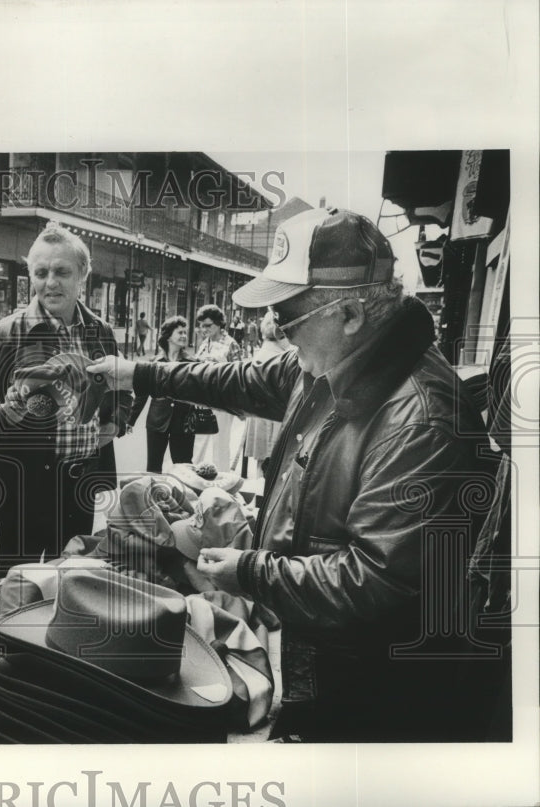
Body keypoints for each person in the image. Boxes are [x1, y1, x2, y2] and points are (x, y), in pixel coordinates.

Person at [87, 207, 503, 742]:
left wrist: (251, 571)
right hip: (320, 656)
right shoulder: (329, 360)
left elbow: (376, 580)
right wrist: (136, 372)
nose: (279, 332)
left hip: (368, 688)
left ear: (350, 313)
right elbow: (234, 380)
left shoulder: (419, 420)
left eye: (289, 317)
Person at [0, 222, 133, 578]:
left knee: (71, 584)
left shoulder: (100, 332)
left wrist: (115, 420)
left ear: (83, 275)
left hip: (79, 487)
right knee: (13, 590)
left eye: (62, 271)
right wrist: (8, 412)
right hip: (24, 492)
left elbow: (122, 390)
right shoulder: (6, 334)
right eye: (41, 273)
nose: (50, 283)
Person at [126, 315, 196, 472]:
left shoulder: (192, 363)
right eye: (180, 332)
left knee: (184, 469)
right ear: (169, 336)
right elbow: (142, 393)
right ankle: (154, 496)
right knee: (153, 468)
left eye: (185, 332)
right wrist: (131, 419)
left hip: (184, 423)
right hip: (156, 422)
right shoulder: (154, 362)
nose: (184, 336)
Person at [192, 304, 244, 472]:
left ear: (219, 323)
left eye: (208, 325)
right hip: (202, 399)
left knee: (220, 444)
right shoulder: (204, 343)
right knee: (199, 443)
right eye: (201, 325)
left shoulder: (231, 344)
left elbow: (238, 374)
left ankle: (222, 482)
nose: (203, 329)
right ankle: (195, 479)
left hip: (222, 400)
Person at [240, 311, 291, 478]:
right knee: (269, 469)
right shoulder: (277, 357)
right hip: (271, 422)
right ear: (280, 334)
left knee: (263, 467)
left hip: (262, 419)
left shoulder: (265, 352)